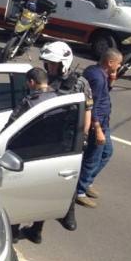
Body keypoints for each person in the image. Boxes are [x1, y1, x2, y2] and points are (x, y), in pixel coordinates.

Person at [40, 41, 92, 229]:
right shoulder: (44, 78)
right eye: (48, 64)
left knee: (66, 180)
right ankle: (37, 227)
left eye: (53, 64)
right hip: (46, 136)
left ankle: (68, 214)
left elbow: (87, 110)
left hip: (69, 138)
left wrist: (84, 136)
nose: (50, 67)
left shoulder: (80, 83)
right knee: (43, 182)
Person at [3, 67, 56, 244]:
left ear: (32, 83)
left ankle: (13, 232)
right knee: (43, 194)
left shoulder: (29, 102)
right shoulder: (57, 99)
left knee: (20, 193)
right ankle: (36, 231)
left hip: (27, 155)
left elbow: (11, 126)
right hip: (51, 155)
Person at [77, 48, 123, 208]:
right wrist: (97, 129)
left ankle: (86, 181)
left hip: (104, 122)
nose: (119, 66)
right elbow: (93, 105)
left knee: (106, 153)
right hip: (98, 124)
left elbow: (104, 93)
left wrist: (112, 80)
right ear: (110, 62)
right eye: (118, 63)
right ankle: (80, 191)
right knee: (93, 158)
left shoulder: (98, 73)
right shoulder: (96, 77)